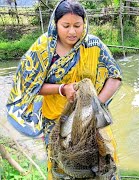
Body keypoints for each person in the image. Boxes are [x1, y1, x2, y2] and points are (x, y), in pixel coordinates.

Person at [6, 0, 122, 179]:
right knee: (62, 168)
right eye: (65, 25)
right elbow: (29, 86)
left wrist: (95, 105)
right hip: (56, 121)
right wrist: (62, 89)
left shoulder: (93, 45)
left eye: (78, 25)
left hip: (90, 120)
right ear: (56, 24)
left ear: (85, 23)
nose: (72, 31)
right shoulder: (43, 49)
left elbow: (114, 77)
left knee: (100, 165)